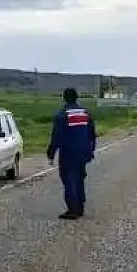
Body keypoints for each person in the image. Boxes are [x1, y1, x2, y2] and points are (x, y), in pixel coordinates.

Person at [46, 88, 97, 220]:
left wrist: (51, 154)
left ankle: (72, 209)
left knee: (69, 180)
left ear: (64, 97)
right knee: (79, 178)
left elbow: (56, 137)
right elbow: (92, 135)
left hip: (68, 153)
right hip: (83, 152)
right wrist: (90, 150)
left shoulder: (62, 114)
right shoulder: (86, 113)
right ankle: (80, 206)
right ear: (76, 97)